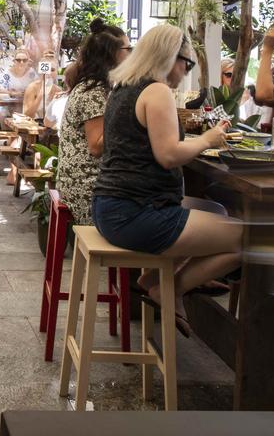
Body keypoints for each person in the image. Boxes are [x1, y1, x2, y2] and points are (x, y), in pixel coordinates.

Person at [92, 25, 240, 336]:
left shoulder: (124, 87)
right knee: (248, 240)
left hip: (113, 208)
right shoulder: (156, 90)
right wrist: (209, 139)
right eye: (188, 62)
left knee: (216, 212)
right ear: (172, 57)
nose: (187, 70)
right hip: (136, 214)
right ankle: (171, 288)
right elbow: (169, 155)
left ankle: (153, 280)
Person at [56, 24, 131, 225]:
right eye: (128, 49)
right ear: (112, 54)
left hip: (81, 183)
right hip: (88, 189)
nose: (132, 55)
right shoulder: (94, 92)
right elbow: (97, 146)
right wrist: (128, 120)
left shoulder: (93, 86)